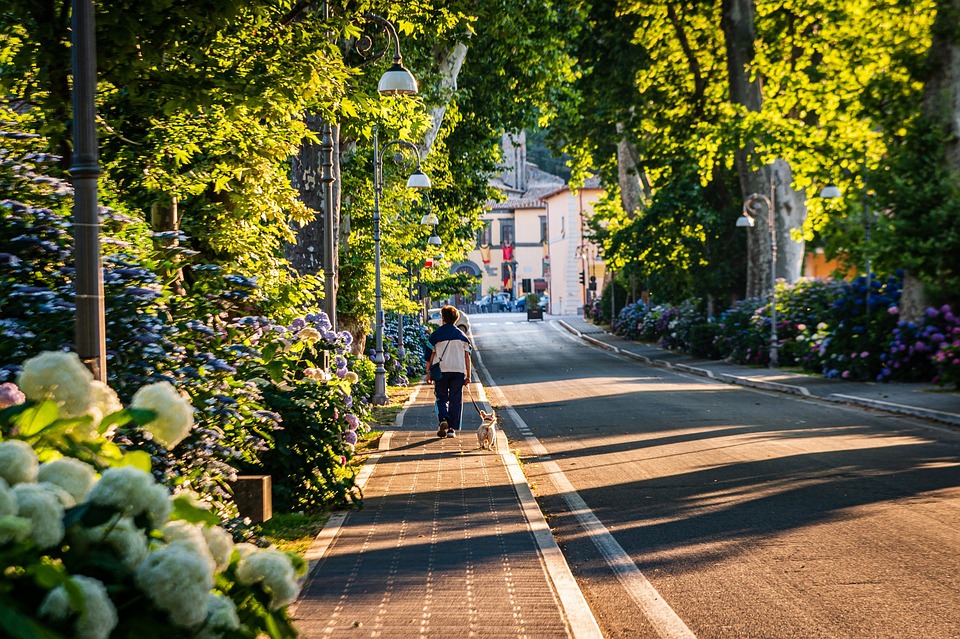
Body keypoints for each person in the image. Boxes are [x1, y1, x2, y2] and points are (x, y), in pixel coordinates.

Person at [426, 305, 471, 438]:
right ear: (456, 319)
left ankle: (443, 419)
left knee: (441, 397)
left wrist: (428, 372)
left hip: (441, 371)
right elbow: (467, 357)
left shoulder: (435, 335)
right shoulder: (462, 337)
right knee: (455, 399)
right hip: (458, 371)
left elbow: (430, 356)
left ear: (443, 318)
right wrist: (468, 375)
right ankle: (452, 429)